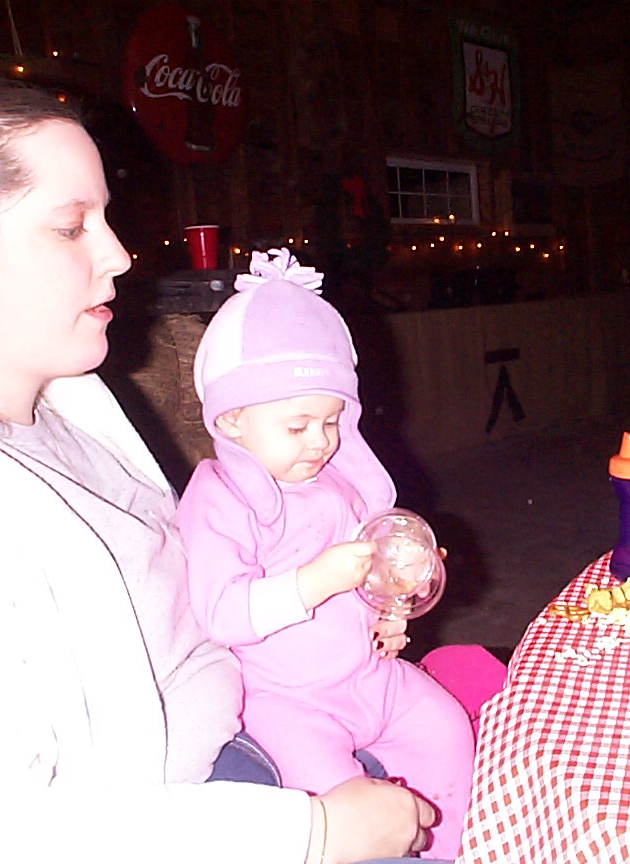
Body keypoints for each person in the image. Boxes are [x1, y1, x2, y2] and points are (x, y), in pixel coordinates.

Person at [0, 67, 442, 863]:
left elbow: (191, 586)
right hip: (183, 817)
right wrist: (316, 832)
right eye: (71, 227)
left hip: (257, 718)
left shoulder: (62, 399)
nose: (119, 255)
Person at [175, 248, 476, 860]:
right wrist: (315, 580)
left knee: (446, 729)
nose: (320, 442)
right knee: (337, 806)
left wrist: (396, 600)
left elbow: (375, 570)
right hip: (286, 701)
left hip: (370, 675)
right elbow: (223, 612)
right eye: (297, 426)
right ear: (231, 421)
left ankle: (448, 851)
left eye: (333, 422)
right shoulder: (221, 496)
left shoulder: (339, 483)